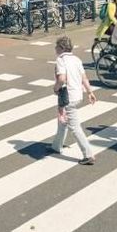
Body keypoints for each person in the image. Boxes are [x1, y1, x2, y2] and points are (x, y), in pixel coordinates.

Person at [51, 36, 97, 166]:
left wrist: (55, 88)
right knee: (62, 121)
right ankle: (56, 146)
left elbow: (62, 78)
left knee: (74, 127)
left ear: (61, 48)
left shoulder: (61, 60)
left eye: (56, 46)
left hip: (67, 97)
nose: (55, 48)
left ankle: (88, 154)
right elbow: (84, 78)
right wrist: (90, 92)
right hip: (77, 95)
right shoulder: (76, 59)